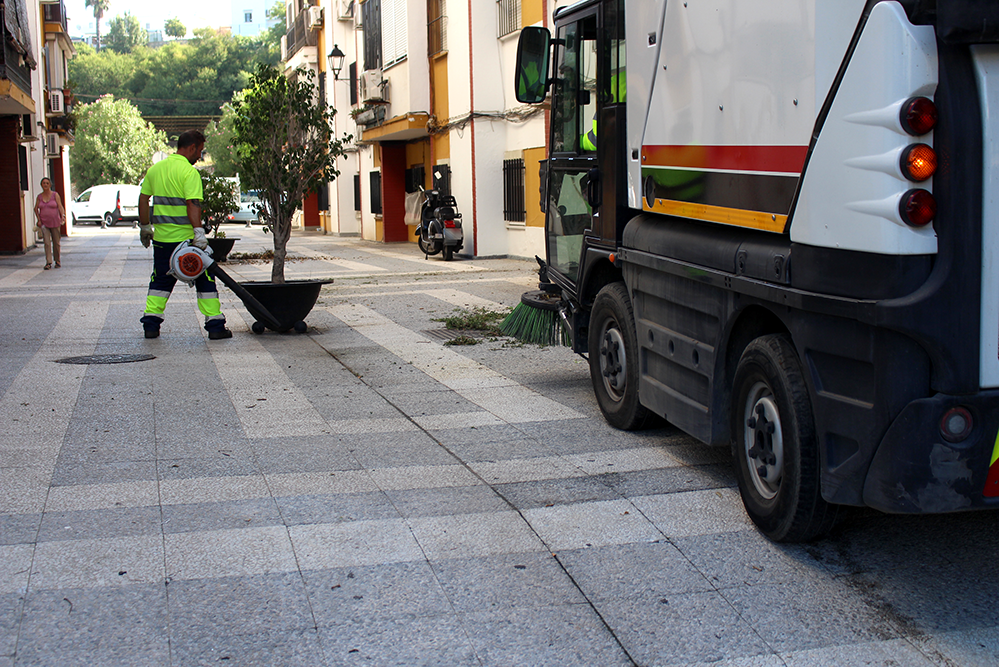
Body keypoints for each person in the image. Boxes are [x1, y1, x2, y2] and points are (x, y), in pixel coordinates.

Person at [137, 130, 231, 340]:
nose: (200, 156)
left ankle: (151, 325)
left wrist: (145, 226)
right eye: (200, 151)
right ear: (191, 147)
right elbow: (193, 204)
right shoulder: (189, 173)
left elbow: (143, 199)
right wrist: (199, 233)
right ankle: (215, 326)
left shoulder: (155, 170)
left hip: (162, 241)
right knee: (205, 278)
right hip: (187, 242)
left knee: (160, 281)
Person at [33, 178, 65, 269]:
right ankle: (48, 262)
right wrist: (38, 219)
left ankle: (57, 260)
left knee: (56, 242)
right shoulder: (39, 197)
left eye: (47, 183)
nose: (45, 185)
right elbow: (35, 208)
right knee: (47, 243)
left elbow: (60, 206)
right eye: (44, 183)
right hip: (44, 222)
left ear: (50, 185)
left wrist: (63, 216)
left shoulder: (55, 195)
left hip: (55, 222)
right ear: (41, 185)